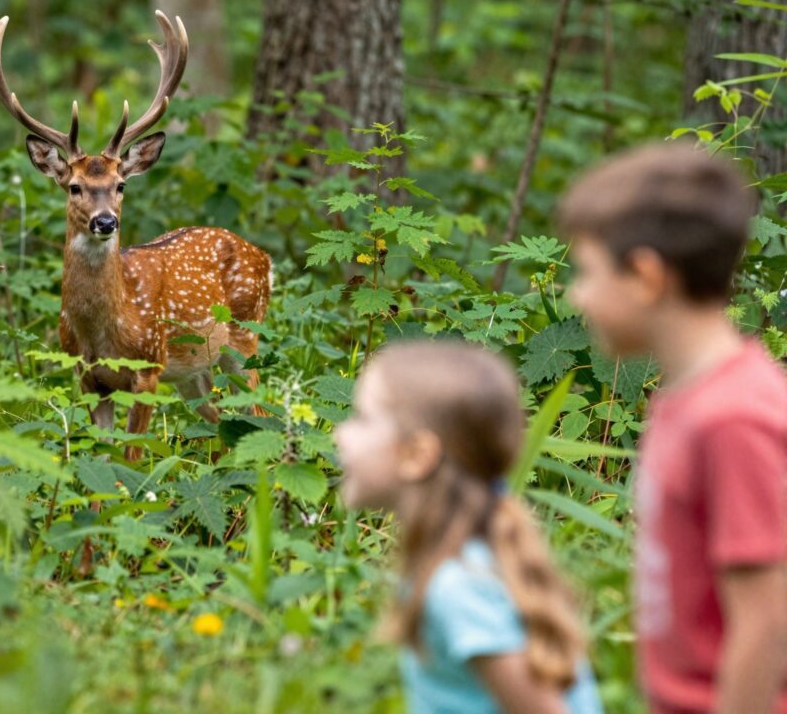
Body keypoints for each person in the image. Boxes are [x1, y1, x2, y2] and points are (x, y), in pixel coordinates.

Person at [559, 142, 787, 714]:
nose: (575, 295)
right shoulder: (685, 398)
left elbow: (766, 620)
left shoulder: (735, 418)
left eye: (585, 272)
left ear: (644, 275)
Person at [334, 341, 604, 714]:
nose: (339, 434)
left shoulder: (459, 589)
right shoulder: (453, 562)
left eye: (361, 418)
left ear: (417, 455)